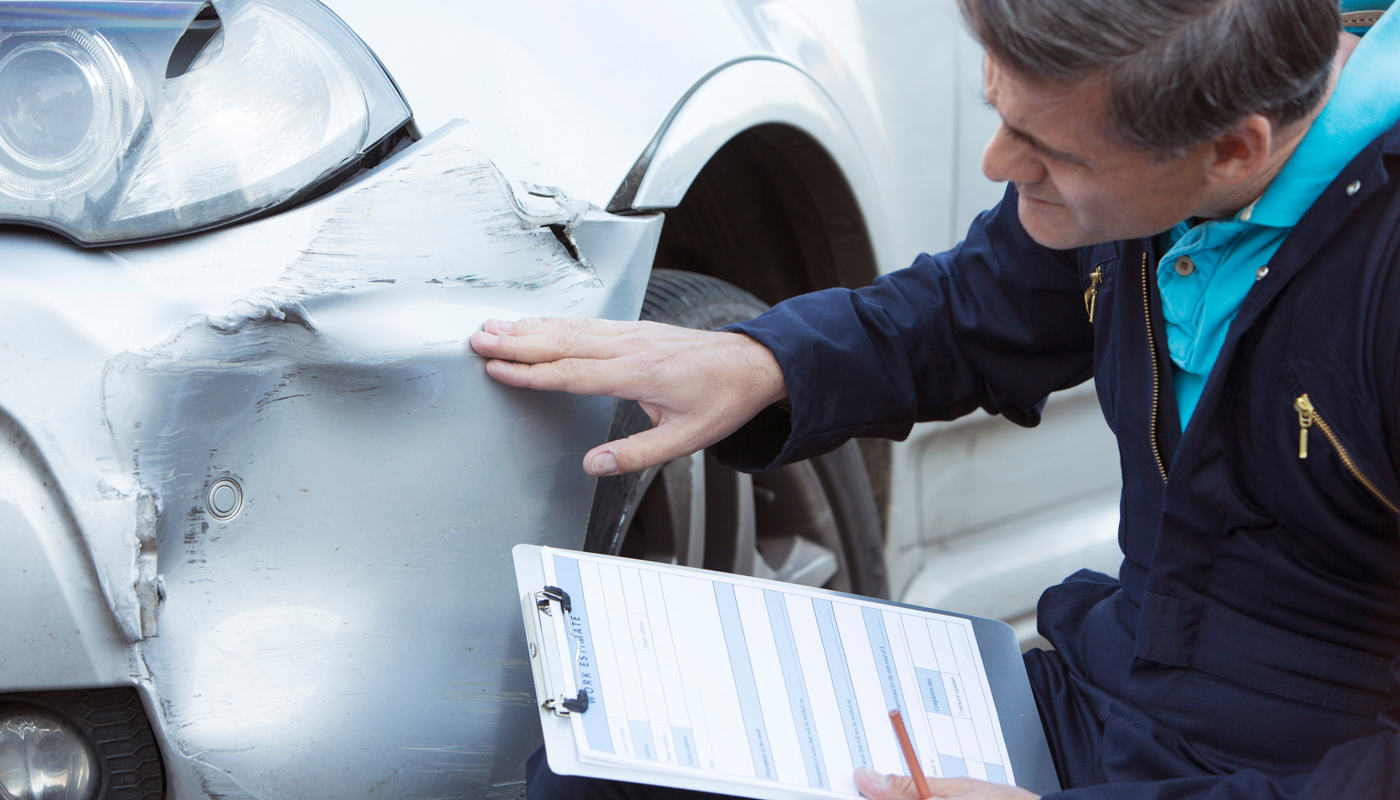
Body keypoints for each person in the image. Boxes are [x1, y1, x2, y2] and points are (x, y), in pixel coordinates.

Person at [471, 0, 1400, 797]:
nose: (998, 164)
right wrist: (761, 362)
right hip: (1104, 703)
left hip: (1306, 769)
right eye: (996, 113)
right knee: (615, 763)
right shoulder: (1156, 157)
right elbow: (978, 307)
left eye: (1045, 149)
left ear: (1232, 151)